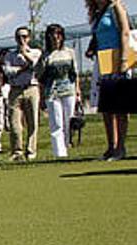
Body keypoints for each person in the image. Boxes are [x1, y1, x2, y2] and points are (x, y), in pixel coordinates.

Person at [88, 0, 131, 161]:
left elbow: (125, 31)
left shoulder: (116, 7)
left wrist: (124, 60)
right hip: (103, 62)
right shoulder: (97, 13)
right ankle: (111, 147)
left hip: (118, 59)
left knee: (119, 107)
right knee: (106, 107)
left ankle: (121, 147)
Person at [37, 24, 80, 159]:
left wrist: (77, 91)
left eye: (58, 34)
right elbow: (41, 78)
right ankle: (59, 153)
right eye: (52, 35)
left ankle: (67, 145)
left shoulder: (69, 52)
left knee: (68, 122)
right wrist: (42, 97)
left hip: (69, 91)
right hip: (52, 92)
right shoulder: (45, 56)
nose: (55, 38)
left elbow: (75, 73)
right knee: (56, 124)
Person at [2, 26, 43, 161]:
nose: (22, 39)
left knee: (33, 122)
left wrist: (25, 54)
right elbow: (8, 71)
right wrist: (23, 68)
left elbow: (35, 66)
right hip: (15, 90)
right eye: (19, 37)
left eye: (24, 36)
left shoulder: (36, 52)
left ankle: (31, 151)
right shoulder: (9, 55)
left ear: (29, 38)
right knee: (14, 124)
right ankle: (17, 152)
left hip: (32, 88)